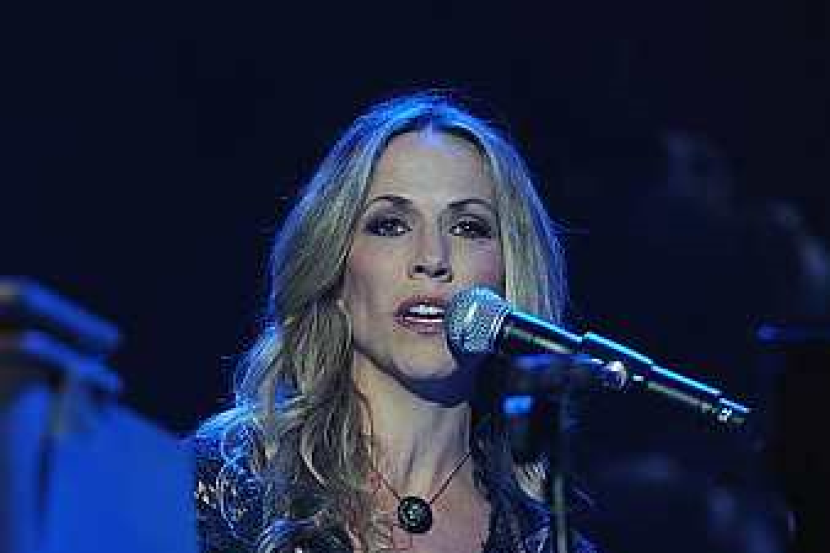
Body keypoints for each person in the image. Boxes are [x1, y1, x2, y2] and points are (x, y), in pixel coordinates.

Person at [191, 92, 595, 553]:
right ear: (335, 266)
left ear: (509, 275)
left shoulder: (543, 542)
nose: (432, 259)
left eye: (468, 227)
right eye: (390, 225)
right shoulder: (233, 475)